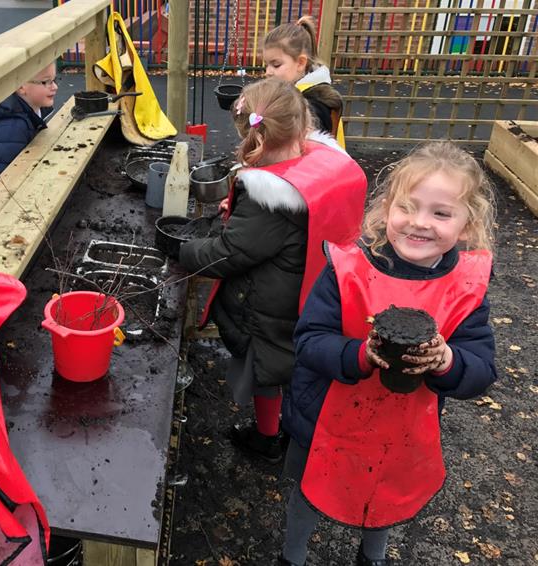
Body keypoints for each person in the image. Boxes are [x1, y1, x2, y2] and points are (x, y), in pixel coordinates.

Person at [279, 141, 497, 566]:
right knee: (309, 491)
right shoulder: (348, 270)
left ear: (467, 226)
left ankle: (373, 555)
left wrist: (446, 361)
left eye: (441, 213)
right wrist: (359, 354)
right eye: (407, 207)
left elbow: (482, 367)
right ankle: (293, 556)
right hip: (324, 417)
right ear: (385, 210)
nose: (420, 223)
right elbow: (309, 340)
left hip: (401, 427)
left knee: (385, 493)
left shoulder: (465, 290)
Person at [179, 78, 366, 463]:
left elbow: (231, 253)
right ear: (303, 126)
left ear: (251, 133)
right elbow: (275, 231)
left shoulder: (269, 194)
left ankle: (271, 439)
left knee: (268, 373)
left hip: (270, 308)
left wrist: (183, 250)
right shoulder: (321, 159)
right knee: (296, 371)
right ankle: (293, 433)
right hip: (313, 288)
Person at [0, 62, 58, 196]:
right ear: (21, 86)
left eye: (54, 80)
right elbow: (10, 184)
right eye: (46, 82)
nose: (55, 87)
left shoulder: (34, 108)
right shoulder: (8, 129)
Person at [263, 15, 344, 142]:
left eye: (276, 65)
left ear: (300, 63)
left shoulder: (314, 106)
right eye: (266, 65)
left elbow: (300, 148)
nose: (268, 72)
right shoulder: (296, 92)